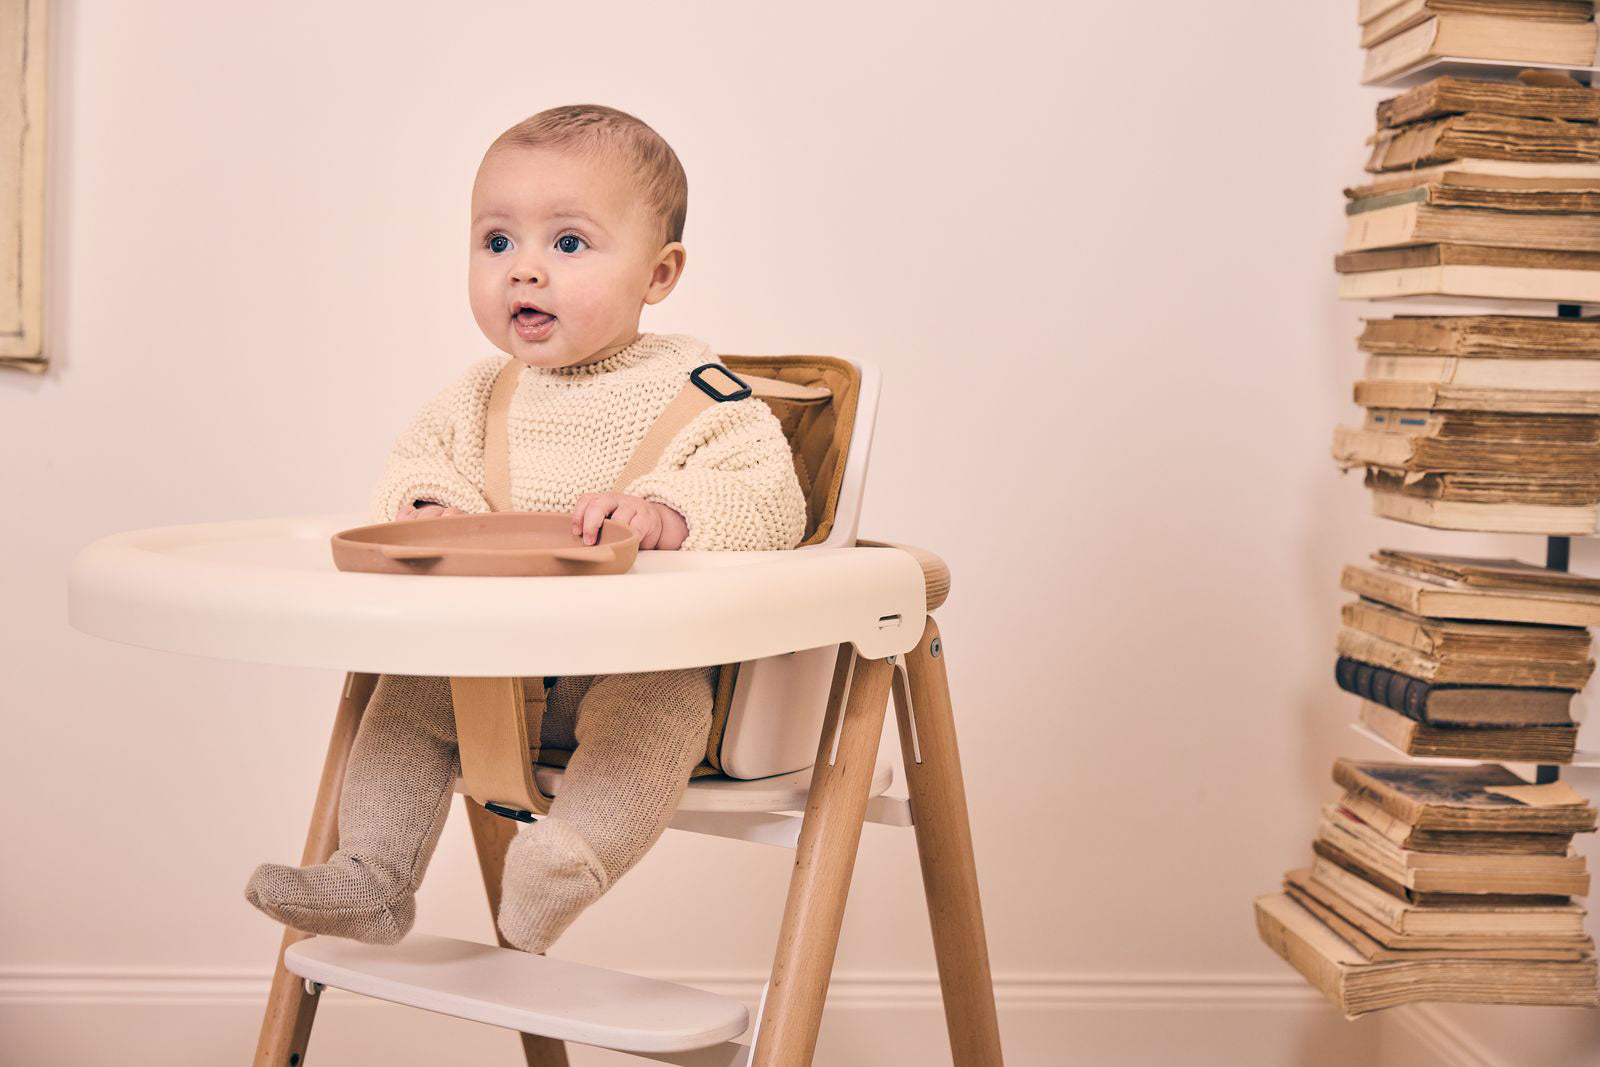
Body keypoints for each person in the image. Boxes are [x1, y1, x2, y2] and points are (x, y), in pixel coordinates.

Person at [244, 103, 807, 954]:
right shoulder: (483, 393)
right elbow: (412, 462)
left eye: (568, 244)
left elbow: (772, 501)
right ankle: (372, 874)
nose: (524, 272)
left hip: (632, 664)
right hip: (491, 671)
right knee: (406, 693)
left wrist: (667, 512)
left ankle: (567, 862)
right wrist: (428, 506)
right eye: (498, 242)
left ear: (659, 274)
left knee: (661, 708)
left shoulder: (701, 390)